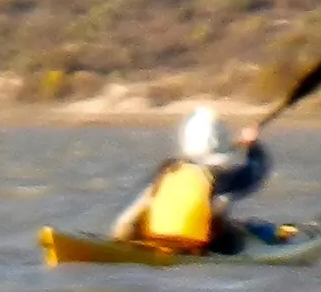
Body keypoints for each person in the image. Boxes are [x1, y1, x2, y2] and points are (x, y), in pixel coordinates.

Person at [108, 104, 279, 255]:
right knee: (238, 225)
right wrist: (253, 145)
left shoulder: (169, 170)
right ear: (216, 140)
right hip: (204, 244)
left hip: (154, 237)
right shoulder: (220, 175)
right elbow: (257, 171)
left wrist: (119, 238)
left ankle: (128, 242)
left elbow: (137, 209)